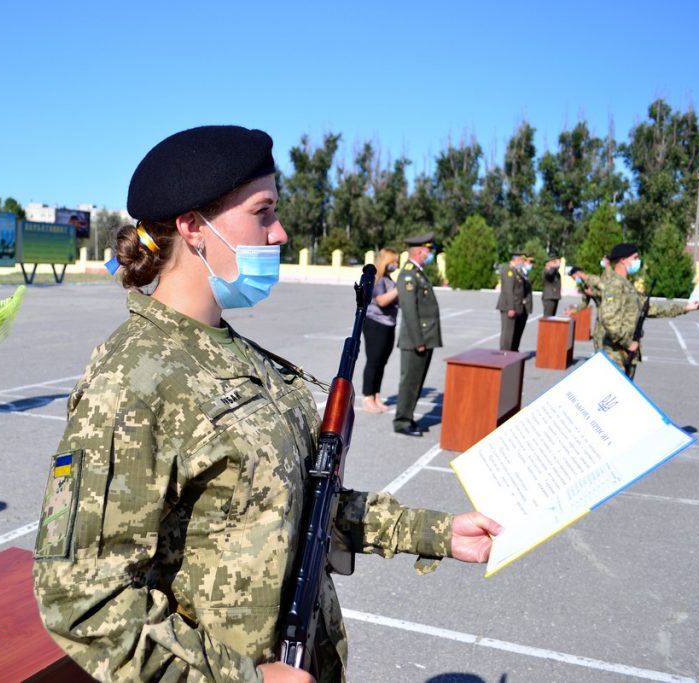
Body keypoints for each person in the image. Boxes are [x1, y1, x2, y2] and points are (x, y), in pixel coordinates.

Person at [32, 126, 500, 683]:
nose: (278, 232)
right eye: (263, 211)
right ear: (193, 227)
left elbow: (307, 503)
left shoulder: (245, 357)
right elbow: (80, 598)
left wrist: (437, 533)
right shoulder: (133, 378)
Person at [596, 242, 699, 380]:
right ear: (622, 260)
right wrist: (627, 342)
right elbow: (608, 319)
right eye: (635, 257)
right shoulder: (615, 284)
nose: (637, 261)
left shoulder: (627, 285)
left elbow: (648, 309)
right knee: (612, 398)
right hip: (615, 354)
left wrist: (685, 307)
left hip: (627, 353)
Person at [392, 234, 442, 437]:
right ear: (419, 251)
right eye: (428, 251)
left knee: (417, 382)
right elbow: (410, 310)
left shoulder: (418, 273)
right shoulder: (408, 275)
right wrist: (418, 340)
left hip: (424, 337)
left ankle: (409, 417)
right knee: (410, 382)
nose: (430, 254)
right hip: (416, 339)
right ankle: (402, 421)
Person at [360, 248, 400, 414]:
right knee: (374, 361)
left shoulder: (389, 279)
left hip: (388, 324)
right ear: (386, 262)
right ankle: (367, 397)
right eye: (394, 261)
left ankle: (376, 395)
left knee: (382, 362)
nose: (396, 265)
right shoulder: (377, 279)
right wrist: (399, 290)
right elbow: (381, 301)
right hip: (375, 323)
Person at [496, 249, 532, 351]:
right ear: (517, 259)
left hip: (517, 306)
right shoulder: (509, 270)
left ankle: (511, 354)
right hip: (509, 307)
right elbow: (508, 290)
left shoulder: (517, 271)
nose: (523, 263)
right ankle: (504, 355)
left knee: (513, 333)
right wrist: (511, 307)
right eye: (522, 260)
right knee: (507, 334)